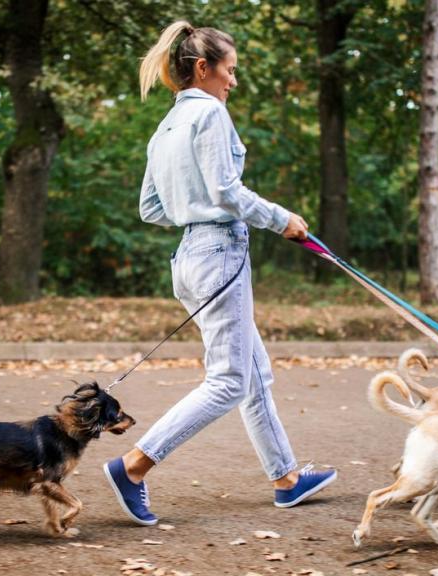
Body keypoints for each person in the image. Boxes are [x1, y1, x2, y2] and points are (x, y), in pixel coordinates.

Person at [103, 21, 336, 526]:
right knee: (230, 380)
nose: (233, 82)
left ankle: (286, 479)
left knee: (254, 373)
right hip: (219, 254)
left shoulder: (165, 127)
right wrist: (283, 220)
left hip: (188, 258)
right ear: (204, 69)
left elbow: (150, 208)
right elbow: (228, 192)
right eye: (229, 71)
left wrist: (191, 209)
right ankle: (134, 465)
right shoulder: (210, 114)